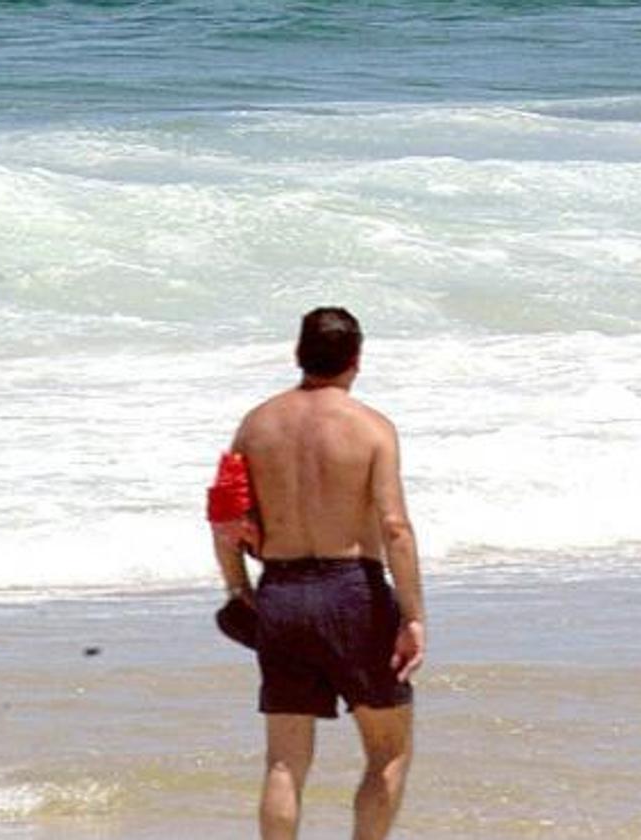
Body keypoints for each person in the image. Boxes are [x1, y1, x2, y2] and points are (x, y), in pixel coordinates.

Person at [210, 306, 425, 840]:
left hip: (280, 595)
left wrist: (238, 587)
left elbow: (225, 521)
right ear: (357, 358)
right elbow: (395, 526)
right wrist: (414, 617)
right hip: (354, 594)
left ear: (298, 354)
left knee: (284, 761)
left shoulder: (255, 425)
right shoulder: (372, 429)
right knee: (388, 750)